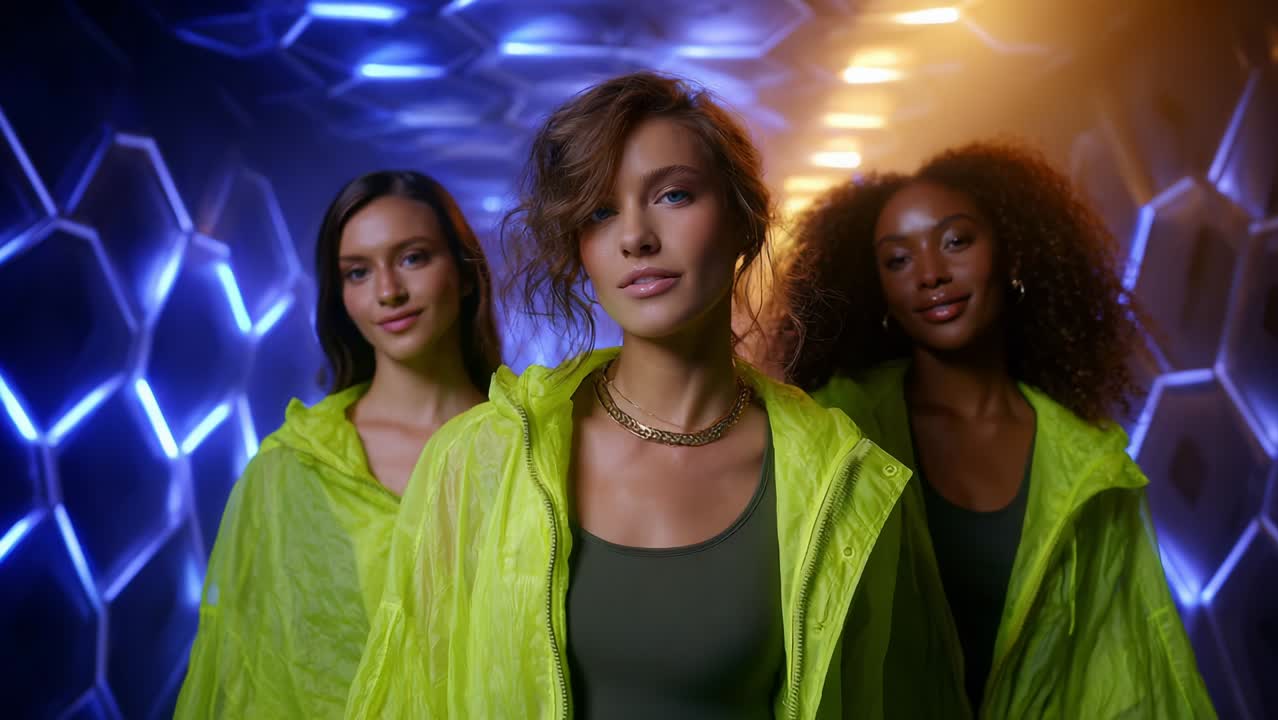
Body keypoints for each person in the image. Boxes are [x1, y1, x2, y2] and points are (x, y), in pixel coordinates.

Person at [345, 72, 912, 719]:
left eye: (673, 195)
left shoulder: (842, 479)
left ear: (743, 220)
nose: (635, 237)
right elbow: (414, 695)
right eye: (600, 210)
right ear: (580, 249)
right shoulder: (482, 457)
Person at [776, 141, 1215, 718]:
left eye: (956, 241)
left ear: (1012, 255)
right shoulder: (833, 432)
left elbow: (1132, 673)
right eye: (898, 260)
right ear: (877, 290)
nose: (930, 274)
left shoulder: (1091, 463)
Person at [176, 170, 500, 718]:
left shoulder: (531, 446)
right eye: (358, 272)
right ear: (341, 296)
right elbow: (256, 682)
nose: (388, 292)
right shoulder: (293, 466)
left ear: (465, 273)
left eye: (413, 258)